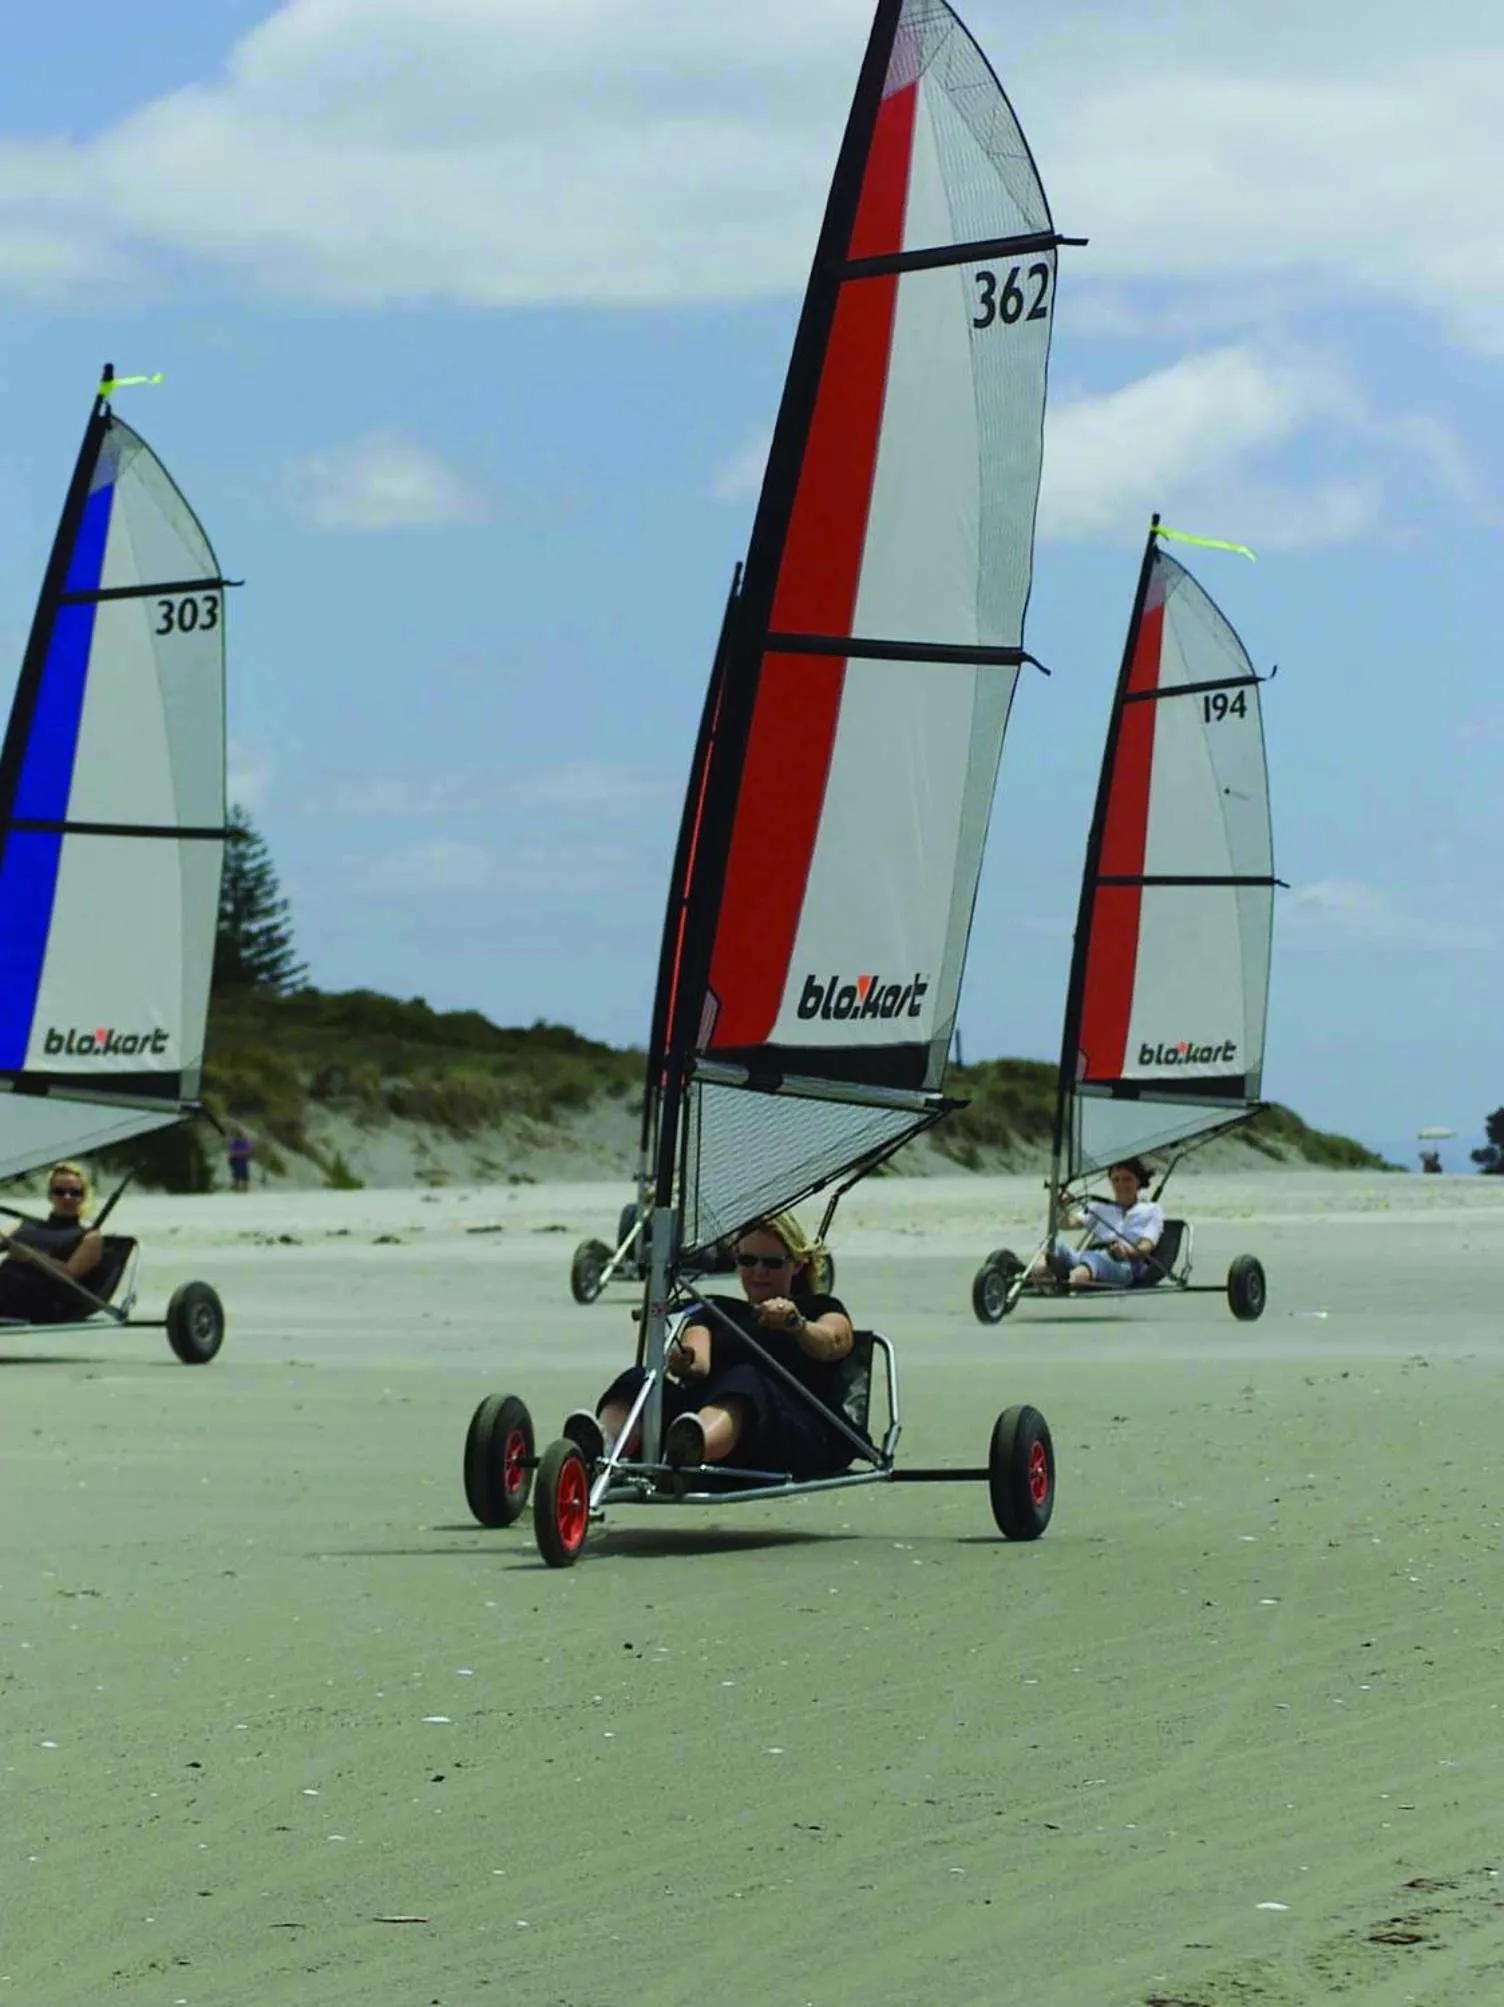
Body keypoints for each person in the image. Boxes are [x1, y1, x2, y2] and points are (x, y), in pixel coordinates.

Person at [569, 1211, 856, 1479]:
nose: (759, 1272)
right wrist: (685, 1361)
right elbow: (699, 1362)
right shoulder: (716, 1311)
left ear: (796, 1264)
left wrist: (796, 1324)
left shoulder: (820, 1308)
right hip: (711, 1421)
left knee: (745, 1379)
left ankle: (692, 1448)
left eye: (772, 1263)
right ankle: (603, 1447)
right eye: (748, 1261)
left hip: (794, 1433)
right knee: (639, 1379)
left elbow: (833, 1342)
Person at [1030, 1156, 1164, 1289]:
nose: (1121, 1185)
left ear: (1138, 1181)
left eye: (1127, 1179)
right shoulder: (1101, 1208)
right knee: (1054, 1248)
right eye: (1116, 1180)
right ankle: (1036, 1273)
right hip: (1089, 1255)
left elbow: (1146, 1246)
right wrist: (1060, 1208)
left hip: (1124, 1263)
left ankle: (1070, 1280)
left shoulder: (1151, 1210)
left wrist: (1127, 1251)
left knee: (1095, 1261)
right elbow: (1067, 1224)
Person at [0, 1161, 105, 1323]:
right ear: (50, 1195)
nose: (67, 1197)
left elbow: (70, 1274)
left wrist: (31, 1256)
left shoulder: (89, 1236)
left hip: (45, 1300)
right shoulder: (22, 1225)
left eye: (74, 1192)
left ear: (83, 1197)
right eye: (60, 1192)